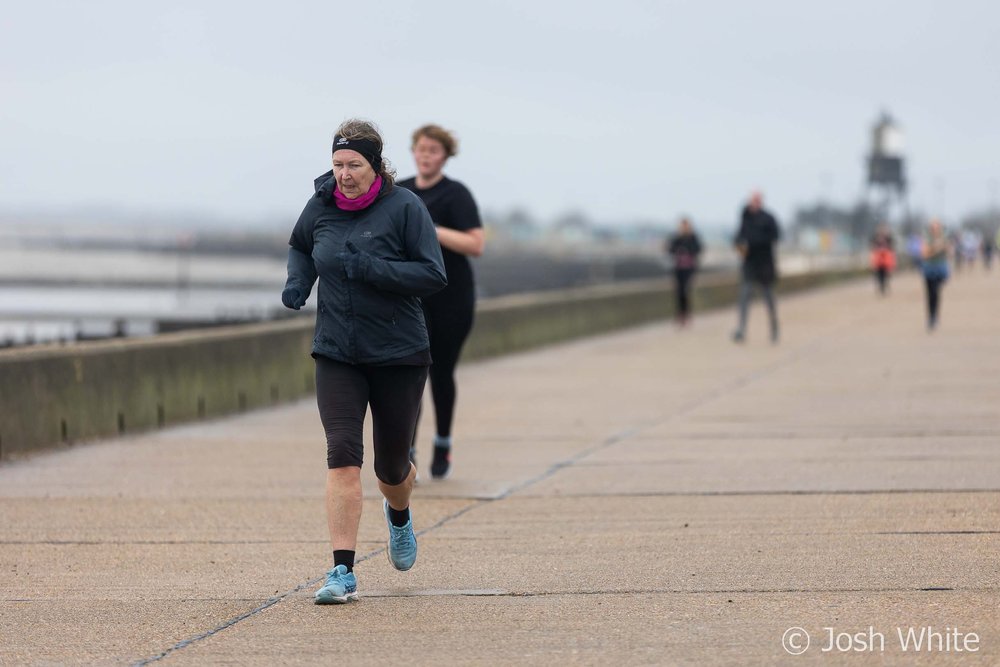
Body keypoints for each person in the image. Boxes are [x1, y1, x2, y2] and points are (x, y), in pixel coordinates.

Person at [282, 119, 447, 604]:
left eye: (354, 165)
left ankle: (398, 514)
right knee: (342, 457)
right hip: (337, 352)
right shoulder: (320, 206)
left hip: (398, 354)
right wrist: (299, 282)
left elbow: (432, 274)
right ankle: (341, 571)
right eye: (337, 165)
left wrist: (372, 269)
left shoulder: (404, 208)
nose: (344, 174)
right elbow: (300, 245)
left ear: (375, 166)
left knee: (392, 468)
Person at [398, 125, 484, 480]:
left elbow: (476, 244)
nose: (426, 154)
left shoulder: (457, 194)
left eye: (434, 149)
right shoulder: (400, 192)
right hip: (411, 299)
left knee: (441, 372)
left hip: (452, 298)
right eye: (421, 148)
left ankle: (443, 443)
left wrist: (430, 229)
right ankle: (408, 450)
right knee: (410, 375)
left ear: (446, 155)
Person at [731, 191, 781, 343]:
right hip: (749, 263)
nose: (755, 203)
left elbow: (775, 236)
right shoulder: (745, 218)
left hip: (765, 263)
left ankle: (774, 327)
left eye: (757, 201)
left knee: (768, 297)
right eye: (753, 200)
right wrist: (741, 249)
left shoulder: (768, 218)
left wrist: (755, 242)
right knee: (744, 296)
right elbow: (738, 237)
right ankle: (741, 329)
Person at [665, 218, 702, 326]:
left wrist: (688, 250)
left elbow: (698, 249)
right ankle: (680, 314)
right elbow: (670, 249)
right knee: (678, 292)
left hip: (689, 268)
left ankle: (686, 313)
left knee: (686, 291)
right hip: (678, 268)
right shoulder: (676, 237)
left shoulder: (693, 237)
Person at [921, 218, 950, 331]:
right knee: (930, 294)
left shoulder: (944, 238)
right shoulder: (927, 239)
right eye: (933, 227)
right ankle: (931, 316)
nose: (935, 229)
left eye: (937, 227)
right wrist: (935, 248)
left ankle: (935, 315)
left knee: (936, 292)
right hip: (929, 269)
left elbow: (949, 252)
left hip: (941, 269)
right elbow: (925, 254)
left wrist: (944, 247)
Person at [869, 224, 896, 295]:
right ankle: (881, 286)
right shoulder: (875, 238)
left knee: (885, 274)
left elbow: (892, 247)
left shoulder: (888, 238)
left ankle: (884, 286)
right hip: (878, 259)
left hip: (886, 259)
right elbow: (872, 247)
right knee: (879, 274)